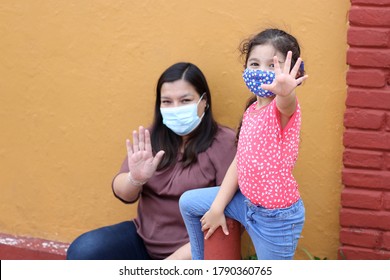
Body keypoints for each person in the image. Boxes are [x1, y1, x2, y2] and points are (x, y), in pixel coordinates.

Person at [66, 62, 237, 260]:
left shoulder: (224, 142)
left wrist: (172, 262)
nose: (175, 108)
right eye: (167, 101)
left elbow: (232, 218)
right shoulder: (150, 137)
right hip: (143, 240)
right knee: (84, 250)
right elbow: (123, 193)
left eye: (185, 100)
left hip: (195, 249)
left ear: (204, 101)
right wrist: (135, 179)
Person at [179, 28, 309, 260]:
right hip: (246, 203)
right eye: (255, 64)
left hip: (276, 219)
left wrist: (286, 93)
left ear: (290, 73)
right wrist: (217, 207)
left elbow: (286, 103)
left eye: (273, 65)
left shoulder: (282, 109)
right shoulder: (251, 110)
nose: (262, 72)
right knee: (189, 203)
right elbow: (241, 161)